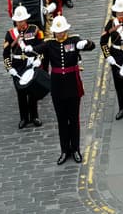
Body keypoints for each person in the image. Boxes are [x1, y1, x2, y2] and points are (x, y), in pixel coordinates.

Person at [41, 15, 95, 164]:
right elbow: (36, 50)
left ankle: (76, 149)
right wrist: (28, 49)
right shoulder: (49, 44)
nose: (60, 34)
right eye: (57, 31)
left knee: (74, 119)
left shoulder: (74, 40)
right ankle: (65, 150)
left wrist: (86, 43)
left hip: (72, 85)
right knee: (62, 120)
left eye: (62, 31)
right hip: (57, 86)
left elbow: (91, 46)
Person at [2, 5, 45, 129]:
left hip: (31, 63)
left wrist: (39, 59)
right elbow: (5, 53)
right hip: (17, 65)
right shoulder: (10, 34)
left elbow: (43, 46)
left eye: (22, 20)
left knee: (32, 91)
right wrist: (9, 67)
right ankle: (24, 118)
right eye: (18, 21)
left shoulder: (35, 29)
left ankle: (34, 116)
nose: (20, 23)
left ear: (26, 19)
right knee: (20, 92)